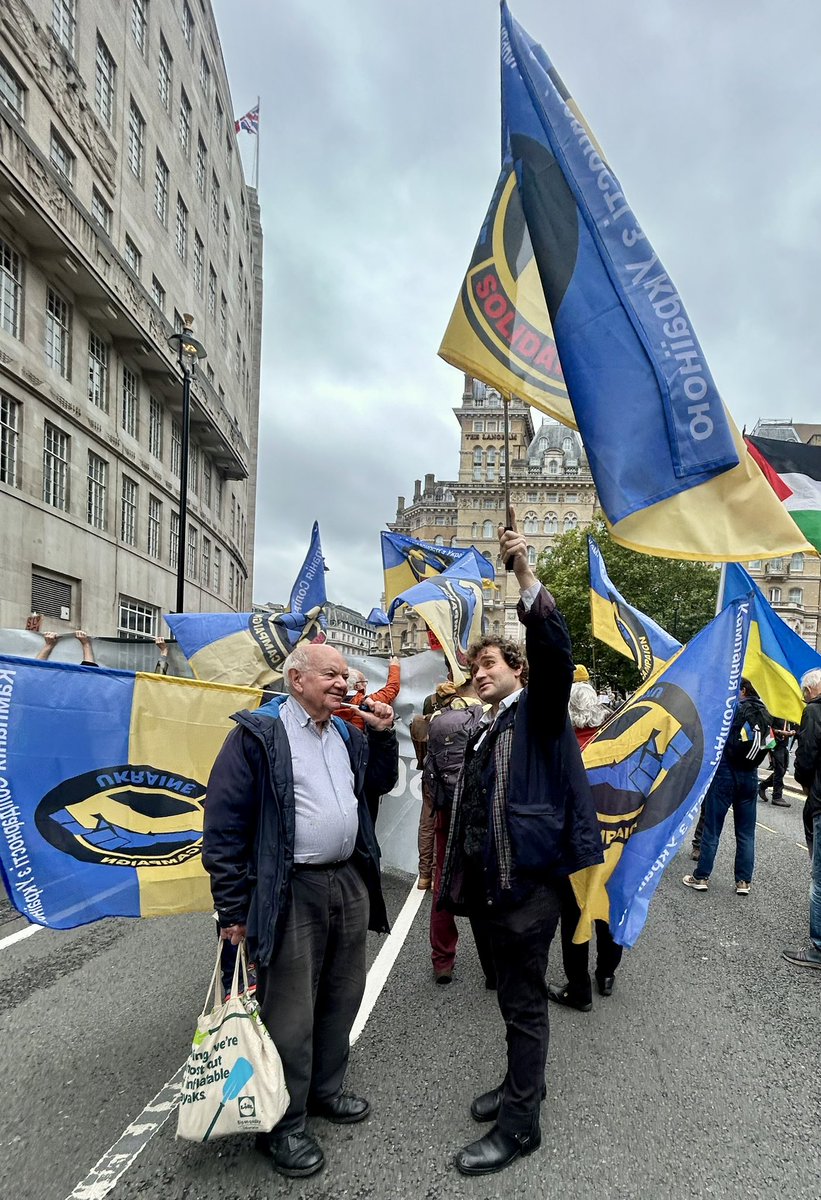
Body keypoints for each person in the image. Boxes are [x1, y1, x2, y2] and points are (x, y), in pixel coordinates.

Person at [438, 517, 603, 1177]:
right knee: (511, 1000)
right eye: (475, 666)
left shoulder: (537, 709)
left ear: (518, 671)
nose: (479, 673)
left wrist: (524, 574)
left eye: (489, 664)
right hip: (494, 888)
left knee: (526, 1005)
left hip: (527, 888)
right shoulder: (488, 726)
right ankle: (517, 1088)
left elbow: (555, 649)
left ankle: (520, 1126)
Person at [202, 642, 398, 1179]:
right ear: (296, 680)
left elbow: (379, 784)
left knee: (342, 993)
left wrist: (383, 734)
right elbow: (223, 827)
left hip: (346, 880)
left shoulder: (346, 734)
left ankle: (324, 1092)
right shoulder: (257, 737)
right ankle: (282, 1125)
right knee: (289, 1011)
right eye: (331, 674)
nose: (344, 683)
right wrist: (232, 909)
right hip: (291, 888)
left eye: (345, 675)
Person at [549, 677, 621, 1011]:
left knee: (574, 912)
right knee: (608, 909)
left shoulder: (561, 746)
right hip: (613, 842)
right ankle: (606, 973)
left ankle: (578, 989)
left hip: (573, 844)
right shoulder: (617, 742)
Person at [423, 677, 494, 985]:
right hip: (480, 814)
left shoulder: (436, 721)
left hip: (444, 812)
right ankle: (493, 964)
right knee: (488, 883)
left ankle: (442, 960)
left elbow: (428, 769)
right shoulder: (485, 718)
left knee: (442, 884)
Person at [683, 678, 772, 897]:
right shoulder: (765, 712)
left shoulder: (730, 708)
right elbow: (770, 743)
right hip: (750, 775)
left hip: (725, 773)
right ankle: (743, 882)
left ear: (742, 690)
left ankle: (701, 876)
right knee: (746, 833)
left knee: (712, 829)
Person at [783, 668, 821, 969]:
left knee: (819, 878)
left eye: (804, 692)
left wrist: (805, 782)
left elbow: (807, 756)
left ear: (811, 690)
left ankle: (818, 949)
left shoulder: (813, 711)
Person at [339, 656, 401, 823]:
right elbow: (392, 688)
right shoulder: (368, 704)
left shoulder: (326, 706)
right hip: (364, 771)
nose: (366, 685)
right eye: (364, 681)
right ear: (358, 686)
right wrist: (394, 666)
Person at [758, 716, 796, 807]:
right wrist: (779, 732)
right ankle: (777, 796)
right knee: (779, 770)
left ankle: (762, 786)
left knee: (783, 770)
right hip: (775, 743)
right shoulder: (774, 712)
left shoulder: (787, 714)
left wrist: (792, 731)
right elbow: (767, 727)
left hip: (784, 744)